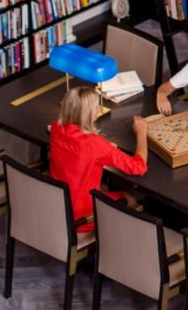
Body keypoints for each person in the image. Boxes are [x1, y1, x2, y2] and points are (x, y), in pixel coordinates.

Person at [49, 86, 148, 229]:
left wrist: (104, 146)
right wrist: (141, 133)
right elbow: (138, 167)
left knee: (104, 186)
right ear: (89, 114)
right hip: (82, 217)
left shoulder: (56, 127)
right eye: (97, 107)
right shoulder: (95, 145)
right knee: (132, 198)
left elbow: (77, 146)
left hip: (57, 205)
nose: (99, 109)